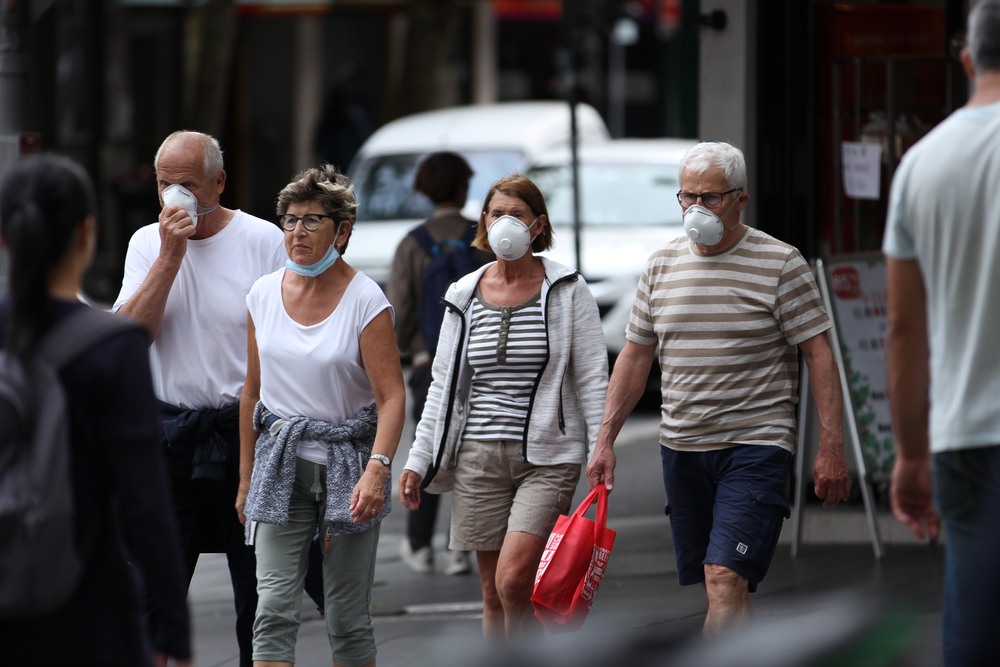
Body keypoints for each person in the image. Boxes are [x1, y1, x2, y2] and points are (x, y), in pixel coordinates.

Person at [586, 141, 851, 635]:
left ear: (740, 200)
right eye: (688, 197)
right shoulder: (661, 265)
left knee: (724, 576)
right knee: (724, 586)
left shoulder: (780, 262)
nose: (696, 209)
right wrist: (604, 441)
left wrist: (830, 446)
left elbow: (819, 354)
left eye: (710, 198)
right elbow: (635, 357)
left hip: (756, 443)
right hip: (682, 447)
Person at [398, 173, 609, 640]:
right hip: (476, 456)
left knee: (514, 580)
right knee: (493, 593)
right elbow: (443, 385)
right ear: (484, 222)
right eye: (498, 214)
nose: (506, 223)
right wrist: (417, 459)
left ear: (538, 226)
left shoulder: (569, 290)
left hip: (548, 457)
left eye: (517, 215)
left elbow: (593, 377)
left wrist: (600, 447)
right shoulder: (463, 295)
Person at [0, 154, 191, 666]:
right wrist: (174, 627)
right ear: (86, 234)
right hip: (85, 600)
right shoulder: (110, 345)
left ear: (5, 238)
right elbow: (145, 502)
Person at [113, 130, 286, 667]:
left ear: (220, 182)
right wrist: (170, 256)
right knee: (148, 594)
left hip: (245, 436)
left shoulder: (263, 241)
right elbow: (126, 339)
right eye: (165, 185)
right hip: (169, 435)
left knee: (255, 596)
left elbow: (288, 340)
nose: (175, 197)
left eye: (187, 184)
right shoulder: (147, 242)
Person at [236, 164, 405, 667]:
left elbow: (392, 397)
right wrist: (245, 479)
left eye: (312, 221)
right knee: (272, 610)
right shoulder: (261, 294)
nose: (297, 232)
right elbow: (251, 394)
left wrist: (378, 468)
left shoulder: (365, 299)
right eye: (289, 220)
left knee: (347, 617)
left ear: (342, 230)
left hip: (348, 467)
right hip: (279, 463)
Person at [883, 2, 1000, 664]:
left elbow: (903, 327)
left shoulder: (922, 166)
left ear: (966, 58)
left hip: (966, 435)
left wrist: (910, 452)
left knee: (974, 628)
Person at [386, 151, 492, 576]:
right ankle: (463, 547)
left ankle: (420, 545)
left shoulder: (413, 243)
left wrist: (411, 349)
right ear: (464, 187)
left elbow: (399, 312)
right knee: (472, 451)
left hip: (430, 363)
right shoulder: (483, 237)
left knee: (429, 447)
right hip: (482, 363)